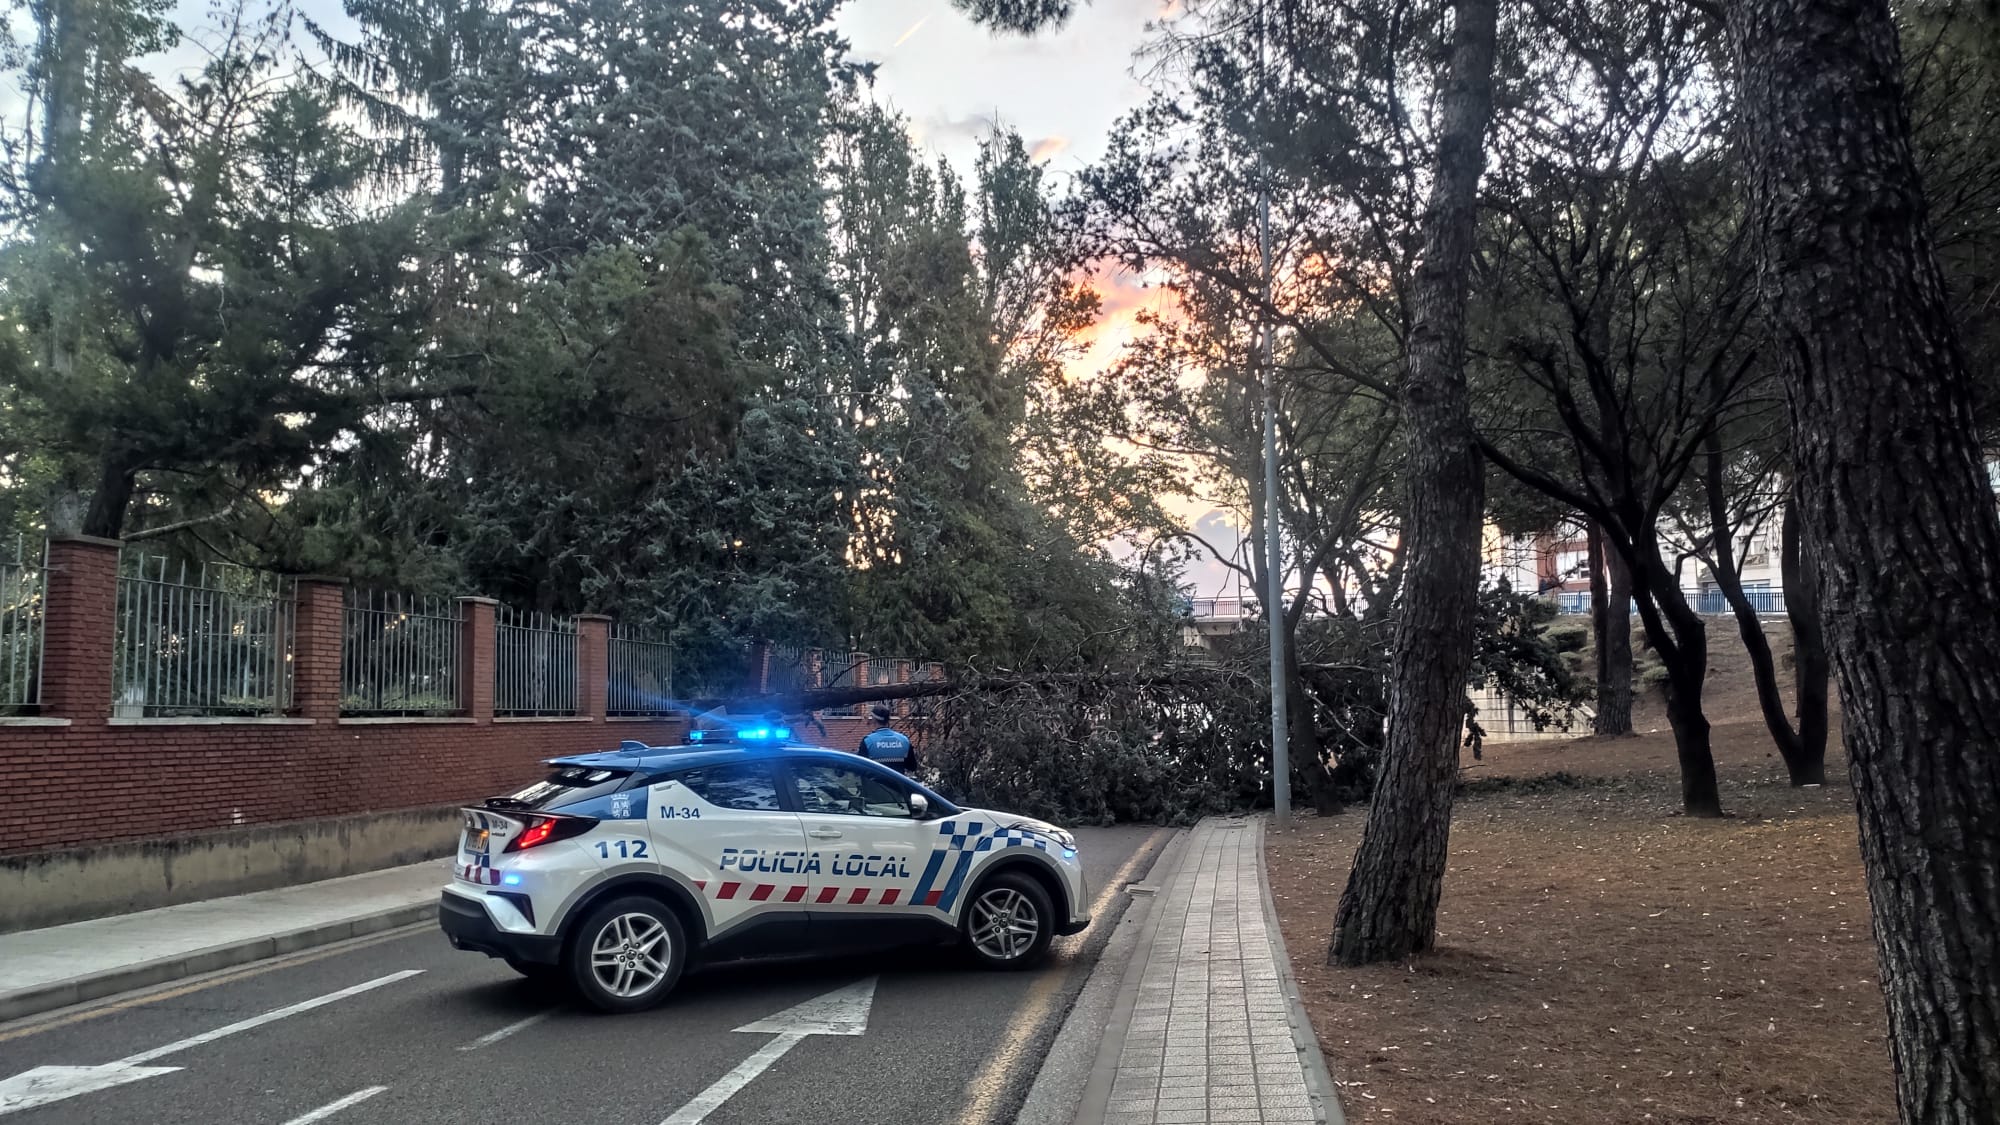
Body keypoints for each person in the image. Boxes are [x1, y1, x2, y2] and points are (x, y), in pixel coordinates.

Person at [859, 705, 914, 775]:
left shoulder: (868, 741)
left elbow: (860, 768)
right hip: (897, 784)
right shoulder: (904, 740)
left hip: (875, 784)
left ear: (874, 720)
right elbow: (912, 767)